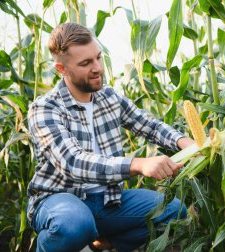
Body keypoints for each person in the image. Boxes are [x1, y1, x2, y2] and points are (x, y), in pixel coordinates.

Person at [27, 22, 194, 252]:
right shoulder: (45, 108)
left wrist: (187, 143)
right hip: (60, 201)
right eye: (86, 63)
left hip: (108, 201)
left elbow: (151, 127)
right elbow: (73, 162)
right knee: (74, 224)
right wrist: (137, 164)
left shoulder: (109, 97)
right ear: (62, 69)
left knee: (174, 211)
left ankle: (104, 244)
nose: (98, 68)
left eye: (98, 57)